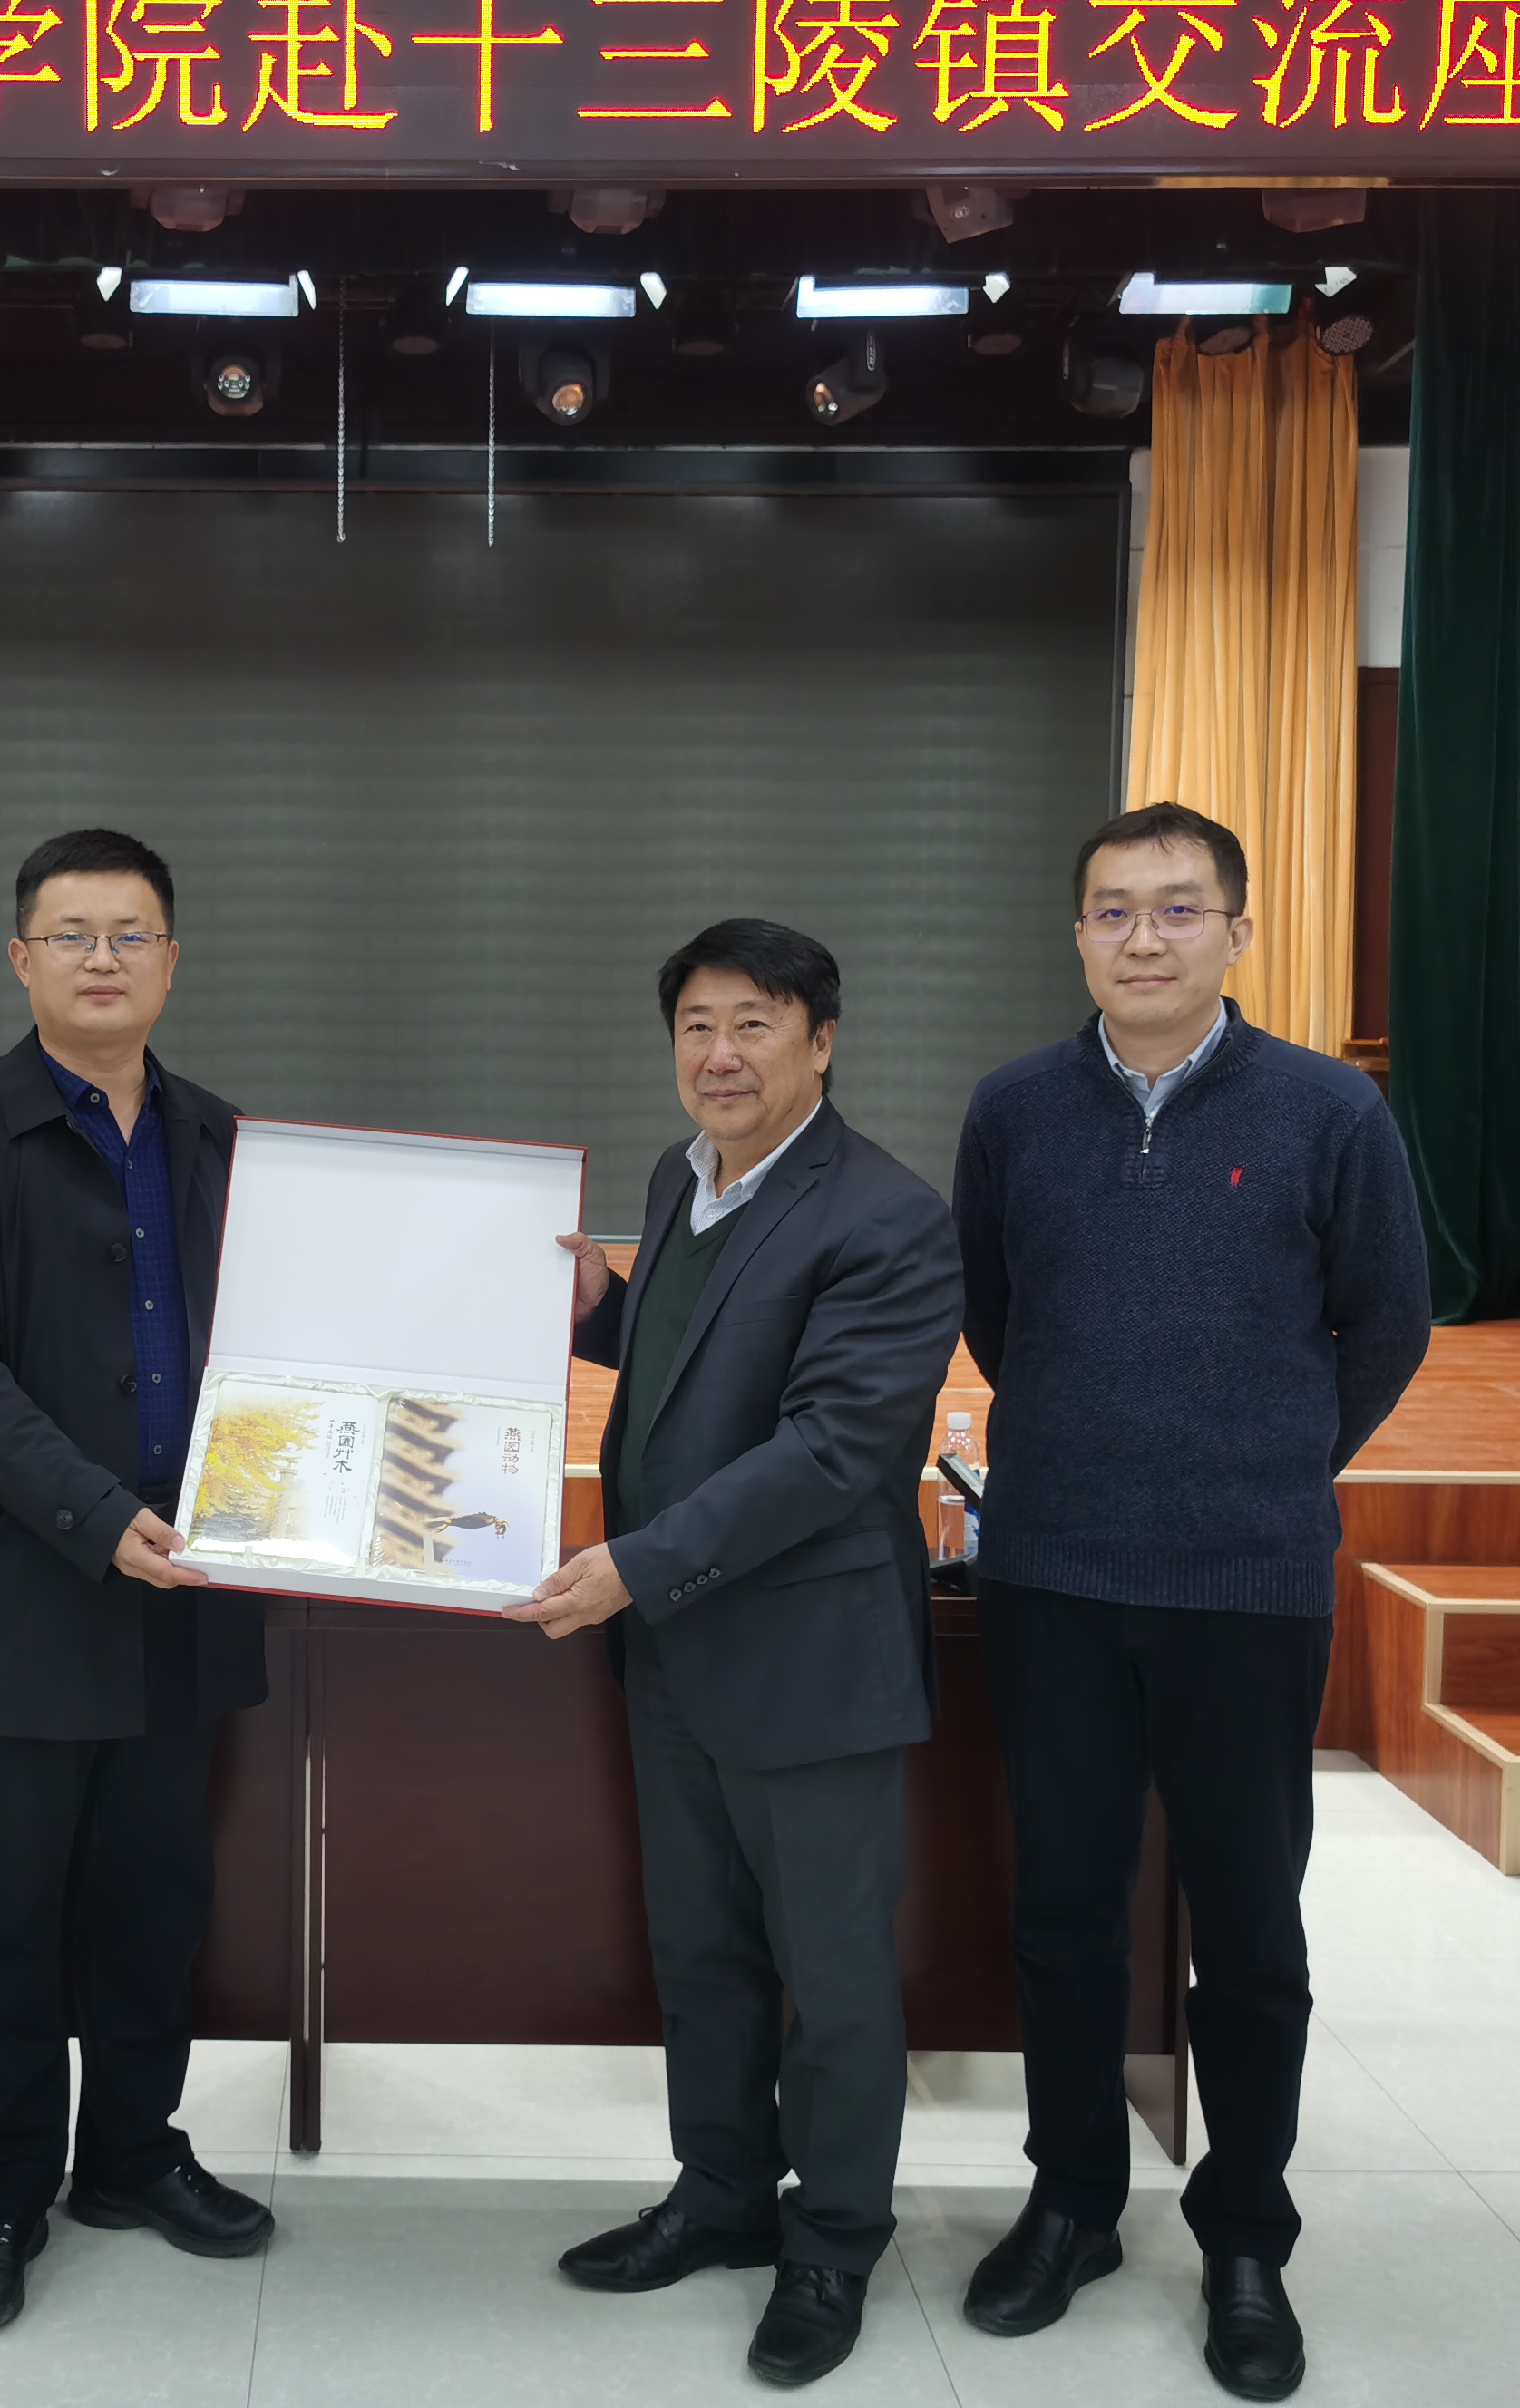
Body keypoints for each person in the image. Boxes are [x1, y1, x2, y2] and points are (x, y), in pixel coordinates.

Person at [950, 802, 1430, 2403]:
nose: (1141, 937)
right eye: (1111, 910)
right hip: (1053, 1573)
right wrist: (1095, 1451)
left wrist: (1266, 1463)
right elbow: (1001, 1315)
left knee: (1250, 1931)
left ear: (1238, 930)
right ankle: (1073, 2201)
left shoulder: (1327, 1110)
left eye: (1175, 908)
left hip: (1247, 1583)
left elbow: (1389, 1325)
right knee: (1064, 1915)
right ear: (1078, 933)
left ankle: (1245, 2237)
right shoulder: (1014, 1108)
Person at [517, 919, 961, 2390]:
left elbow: (833, 1447)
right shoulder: (681, 1177)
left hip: (808, 1658)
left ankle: (832, 2239)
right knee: (701, 1952)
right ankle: (720, 2196)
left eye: (754, 1024)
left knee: (831, 1974)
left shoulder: (888, 1216)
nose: (720, 1054)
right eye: (697, 1025)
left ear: (821, 1043)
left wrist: (636, 1567)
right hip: (674, 1654)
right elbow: (699, 1351)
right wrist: (605, 1315)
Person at [0, 827, 271, 2332]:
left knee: (153, 1905)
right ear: (20, 959)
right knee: (1, 1920)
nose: (102, 959)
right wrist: (96, 1513)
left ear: (172, 960)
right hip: (19, 1599)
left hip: (187, 1598)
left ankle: (129, 2154)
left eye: (130, 935)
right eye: (72, 934)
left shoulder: (223, 1135)